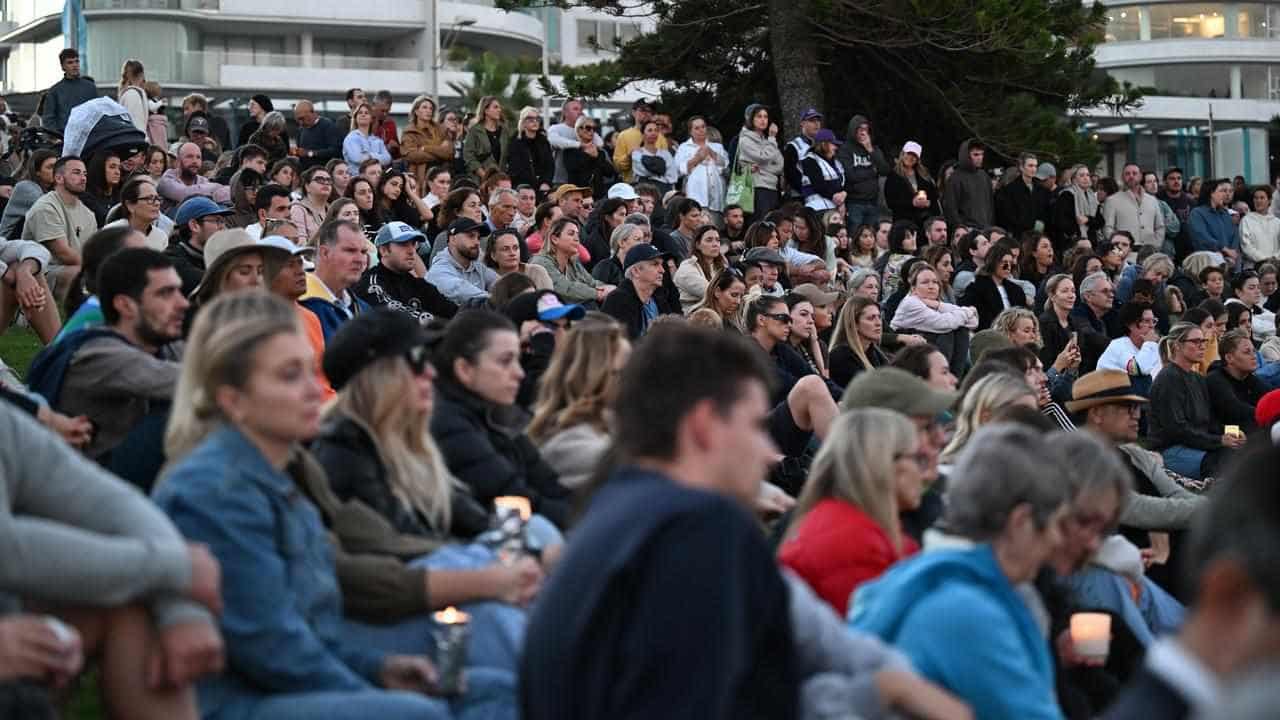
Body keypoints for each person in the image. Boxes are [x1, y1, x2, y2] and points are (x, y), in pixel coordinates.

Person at [153, 292, 456, 720]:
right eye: (290, 376)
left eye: (311, 371)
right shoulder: (215, 491)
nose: (317, 390)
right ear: (232, 399)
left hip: (314, 672)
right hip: (247, 701)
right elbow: (270, 647)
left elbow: (313, 628)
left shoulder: (282, 470)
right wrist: (368, 687)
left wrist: (380, 669)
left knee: (486, 687)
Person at [521, 321, 805, 718]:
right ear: (704, 424)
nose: (767, 450)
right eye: (756, 426)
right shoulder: (700, 525)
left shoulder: (620, 504)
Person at [0, 400, 224, 720]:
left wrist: (180, 610)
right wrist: (177, 569)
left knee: (134, 598)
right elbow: (7, 549)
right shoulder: (100, 353)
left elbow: (114, 503)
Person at [1103, 441, 1280, 720]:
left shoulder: (1136, 455)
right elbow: (1137, 509)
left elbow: (1174, 496)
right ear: (1232, 596)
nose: (1134, 414)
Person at [27, 248, 183, 487]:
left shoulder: (157, 340)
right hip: (79, 488)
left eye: (179, 291)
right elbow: (195, 381)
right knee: (187, 412)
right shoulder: (97, 354)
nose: (182, 303)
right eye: (165, 294)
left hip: (119, 480)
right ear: (126, 305)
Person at [430, 309, 571, 528]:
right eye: (506, 361)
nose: (519, 373)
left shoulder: (498, 414)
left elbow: (551, 485)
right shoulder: (448, 423)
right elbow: (520, 502)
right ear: (465, 369)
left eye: (519, 358)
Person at [779, 407, 925, 615]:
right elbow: (874, 635)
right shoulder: (852, 543)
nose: (923, 471)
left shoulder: (861, 526)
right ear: (885, 463)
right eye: (918, 459)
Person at [527, 317, 628, 490]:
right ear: (596, 376)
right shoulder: (574, 444)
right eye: (623, 372)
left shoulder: (609, 423)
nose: (631, 380)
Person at [1149, 322, 1244, 479]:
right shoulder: (1168, 379)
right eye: (1195, 341)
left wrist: (1231, 433)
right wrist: (1219, 440)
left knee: (1245, 452)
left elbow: (1209, 421)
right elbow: (1176, 429)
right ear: (1178, 346)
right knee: (1227, 460)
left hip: (1199, 445)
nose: (1202, 346)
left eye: (1203, 341)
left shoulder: (1198, 379)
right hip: (1171, 450)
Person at [21, 156, 96, 303]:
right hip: (41, 273)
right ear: (59, 178)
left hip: (77, 268)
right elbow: (63, 254)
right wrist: (96, 269)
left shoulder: (88, 214)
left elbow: (92, 251)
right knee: (79, 275)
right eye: (76, 172)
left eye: (85, 174)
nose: (83, 178)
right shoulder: (46, 207)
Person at [351, 221, 457, 324]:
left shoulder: (418, 284)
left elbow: (453, 311)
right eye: (403, 244)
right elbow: (398, 320)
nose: (412, 251)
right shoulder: (370, 284)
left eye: (413, 244)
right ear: (384, 250)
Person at [892, 262, 978, 375]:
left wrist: (938, 305)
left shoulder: (932, 302)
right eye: (925, 282)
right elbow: (944, 324)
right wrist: (969, 311)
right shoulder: (911, 303)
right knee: (948, 332)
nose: (931, 286)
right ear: (913, 288)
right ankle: (945, 378)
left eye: (935, 282)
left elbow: (973, 322)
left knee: (961, 330)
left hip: (926, 347)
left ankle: (953, 379)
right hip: (903, 350)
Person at [300, 220, 370, 340]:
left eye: (363, 252)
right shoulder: (298, 303)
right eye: (350, 251)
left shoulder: (364, 309)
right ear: (325, 253)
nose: (360, 259)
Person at [601, 243, 679, 339]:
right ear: (636, 271)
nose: (662, 270)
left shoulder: (659, 297)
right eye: (655, 264)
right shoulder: (618, 300)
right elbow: (624, 344)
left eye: (662, 264)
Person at [529, 217, 611, 306]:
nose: (577, 239)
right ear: (555, 239)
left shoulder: (573, 262)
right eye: (571, 234)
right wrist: (597, 293)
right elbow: (565, 288)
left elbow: (592, 282)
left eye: (577, 235)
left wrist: (609, 289)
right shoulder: (541, 262)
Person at [423, 217, 498, 306]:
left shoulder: (476, 265)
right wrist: (499, 301)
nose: (477, 242)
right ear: (453, 239)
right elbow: (461, 291)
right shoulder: (439, 270)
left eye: (478, 238)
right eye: (471, 236)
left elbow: (499, 283)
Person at [167, 196, 233, 296]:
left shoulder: (218, 256)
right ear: (194, 225)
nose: (223, 228)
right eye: (217, 221)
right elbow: (213, 284)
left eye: (223, 222)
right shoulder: (172, 261)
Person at [835, 114, 889, 231]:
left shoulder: (874, 149)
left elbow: (884, 170)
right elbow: (850, 175)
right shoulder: (845, 149)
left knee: (871, 235)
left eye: (866, 129)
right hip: (854, 202)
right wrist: (872, 172)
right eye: (860, 129)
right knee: (855, 235)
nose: (863, 132)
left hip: (873, 202)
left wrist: (870, 149)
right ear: (853, 130)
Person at [1207, 329, 1267, 432]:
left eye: (1254, 351)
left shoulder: (1249, 377)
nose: (1254, 356)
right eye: (1247, 352)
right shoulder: (1215, 379)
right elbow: (1234, 409)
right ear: (1229, 358)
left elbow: (1270, 395)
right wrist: (1267, 413)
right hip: (1223, 434)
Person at [959, 242, 1027, 331]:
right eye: (1004, 262)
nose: (1008, 267)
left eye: (1010, 263)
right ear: (993, 262)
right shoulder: (976, 288)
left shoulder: (1016, 290)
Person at [735, 103, 785, 218]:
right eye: (759, 116)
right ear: (751, 119)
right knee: (761, 224)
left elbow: (780, 164)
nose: (763, 120)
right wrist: (772, 138)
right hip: (757, 187)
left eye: (765, 116)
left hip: (772, 187)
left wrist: (763, 168)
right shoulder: (745, 140)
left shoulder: (767, 140)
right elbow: (763, 157)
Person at [829, 295, 890, 386]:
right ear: (854, 323)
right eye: (871, 318)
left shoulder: (873, 351)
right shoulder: (841, 356)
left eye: (879, 317)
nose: (878, 323)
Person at [674, 116, 729, 215]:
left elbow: (725, 164)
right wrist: (697, 158)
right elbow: (679, 170)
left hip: (717, 196)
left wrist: (711, 152)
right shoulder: (684, 147)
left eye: (703, 127)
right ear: (690, 132)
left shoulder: (717, 146)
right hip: (696, 194)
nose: (701, 130)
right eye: (697, 128)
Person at [157, 142, 231, 213]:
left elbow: (229, 194)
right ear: (178, 161)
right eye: (189, 156)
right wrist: (215, 188)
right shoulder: (167, 179)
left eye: (198, 157)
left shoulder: (203, 180)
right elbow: (184, 194)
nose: (195, 161)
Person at [0, 149, 58, 239]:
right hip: (8, 242)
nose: (56, 171)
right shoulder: (25, 187)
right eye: (50, 167)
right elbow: (49, 208)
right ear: (37, 172)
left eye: (57, 167)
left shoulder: (49, 190)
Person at [40, 48, 98, 134]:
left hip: (90, 137)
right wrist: (56, 137)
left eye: (77, 61)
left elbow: (98, 112)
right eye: (70, 62)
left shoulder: (90, 87)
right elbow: (48, 119)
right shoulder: (54, 91)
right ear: (63, 66)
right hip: (64, 138)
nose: (75, 65)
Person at [883, 141, 939, 229]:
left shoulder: (924, 175)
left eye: (914, 156)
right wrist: (911, 203)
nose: (910, 157)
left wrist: (928, 203)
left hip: (924, 222)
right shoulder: (893, 176)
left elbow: (934, 196)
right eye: (908, 153)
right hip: (902, 222)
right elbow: (890, 202)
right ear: (902, 154)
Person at [103, 176, 167, 251]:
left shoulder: (161, 237)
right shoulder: (111, 234)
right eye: (149, 199)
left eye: (158, 199)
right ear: (130, 205)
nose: (157, 203)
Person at [673, 224, 726, 312]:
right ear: (698, 245)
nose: (715, 244)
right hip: (691, 319)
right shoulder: (687, 268)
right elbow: (712, 293)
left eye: (718, 240)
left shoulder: (719, 267)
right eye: (709, 240)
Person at [942, 139, 994, 230]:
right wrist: (962, 228)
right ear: (966, 155)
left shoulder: (984, 176)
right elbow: (951, 209)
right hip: (967, 231)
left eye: (982, 154)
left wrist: (990, 227)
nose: (980, 157)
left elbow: (990, 205)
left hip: (986, 229)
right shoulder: (955, 178)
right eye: (976, 154)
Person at [611, 99, 666, 184]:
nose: (646, 113)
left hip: (656, 185)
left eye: (649, 111)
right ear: (633, 112)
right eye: (643, 110)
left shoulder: (660, 137)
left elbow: (666, 164)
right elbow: (617, 167)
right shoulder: (623, 136)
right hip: (632, 185)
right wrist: (629, 156)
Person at [485, 227, 553, 290]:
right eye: (505, 249)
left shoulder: (537, 272)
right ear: (493, 256)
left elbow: (550, 301)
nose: (512, 253)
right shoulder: (487, 277)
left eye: (515, 248)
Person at [1189, 179, 1239, 264]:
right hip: (1207, 261)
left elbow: (1234, 234)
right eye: (1221, 191)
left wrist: (1232, 252)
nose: (1224, 195)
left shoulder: (1225, 213)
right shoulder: (1197, 213)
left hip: (1230, 261)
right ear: (1211, 193)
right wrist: (1225, 250)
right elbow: (1202, 237)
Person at [798, 129, 847, 214]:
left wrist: (843, 194)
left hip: (835, 208)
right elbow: (818, 184)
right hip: (817, 208)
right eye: (833, 144)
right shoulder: (810, 160)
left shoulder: (836, 162)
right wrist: (834, 196)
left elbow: (843, 183)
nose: (836, 147)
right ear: (824, 144)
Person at [463, 96, 509, 182]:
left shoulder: (504, 131)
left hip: (501, 180)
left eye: (499, 107)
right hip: (481, 180)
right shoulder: (475, 130)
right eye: (495, 107)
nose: (499, 110)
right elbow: (468, 156)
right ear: (486, 110)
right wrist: (484, 175)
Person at [690, 267, 748, 332]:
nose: (738, 302)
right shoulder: (701, 321)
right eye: (734, 295)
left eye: (741, 296)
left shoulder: (732, 324)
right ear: (717, 292)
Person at [629, 120, 678, 195]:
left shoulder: (665, 153)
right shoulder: (637, 153)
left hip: (664, 191)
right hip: (644, 193)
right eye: (650, 130)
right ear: (643, 134)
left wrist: (652, 175)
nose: (653, 133)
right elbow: (644, 171)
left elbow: (672, 176)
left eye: (656, 130)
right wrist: (661, 173)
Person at [292, 99, 343, 170]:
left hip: (324, 172)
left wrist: (309, 153)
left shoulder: (328, 125)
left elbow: (335, 151)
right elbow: (302, 153)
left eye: (302, 118)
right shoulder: (301, 130)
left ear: (312, 113)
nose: (301, 122)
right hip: (306, 174)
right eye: (298, 120)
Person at [343, 102, 392, 168]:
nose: (363, 114)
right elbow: (357, 158)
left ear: (371, 119)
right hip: (357, 177)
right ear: (356, 117)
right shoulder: (350, 138)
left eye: (366, 113)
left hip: (377, 176)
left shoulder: (378, 140)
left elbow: (387, 159)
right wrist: (379, 156)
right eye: (360, 113)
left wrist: (369, 156)